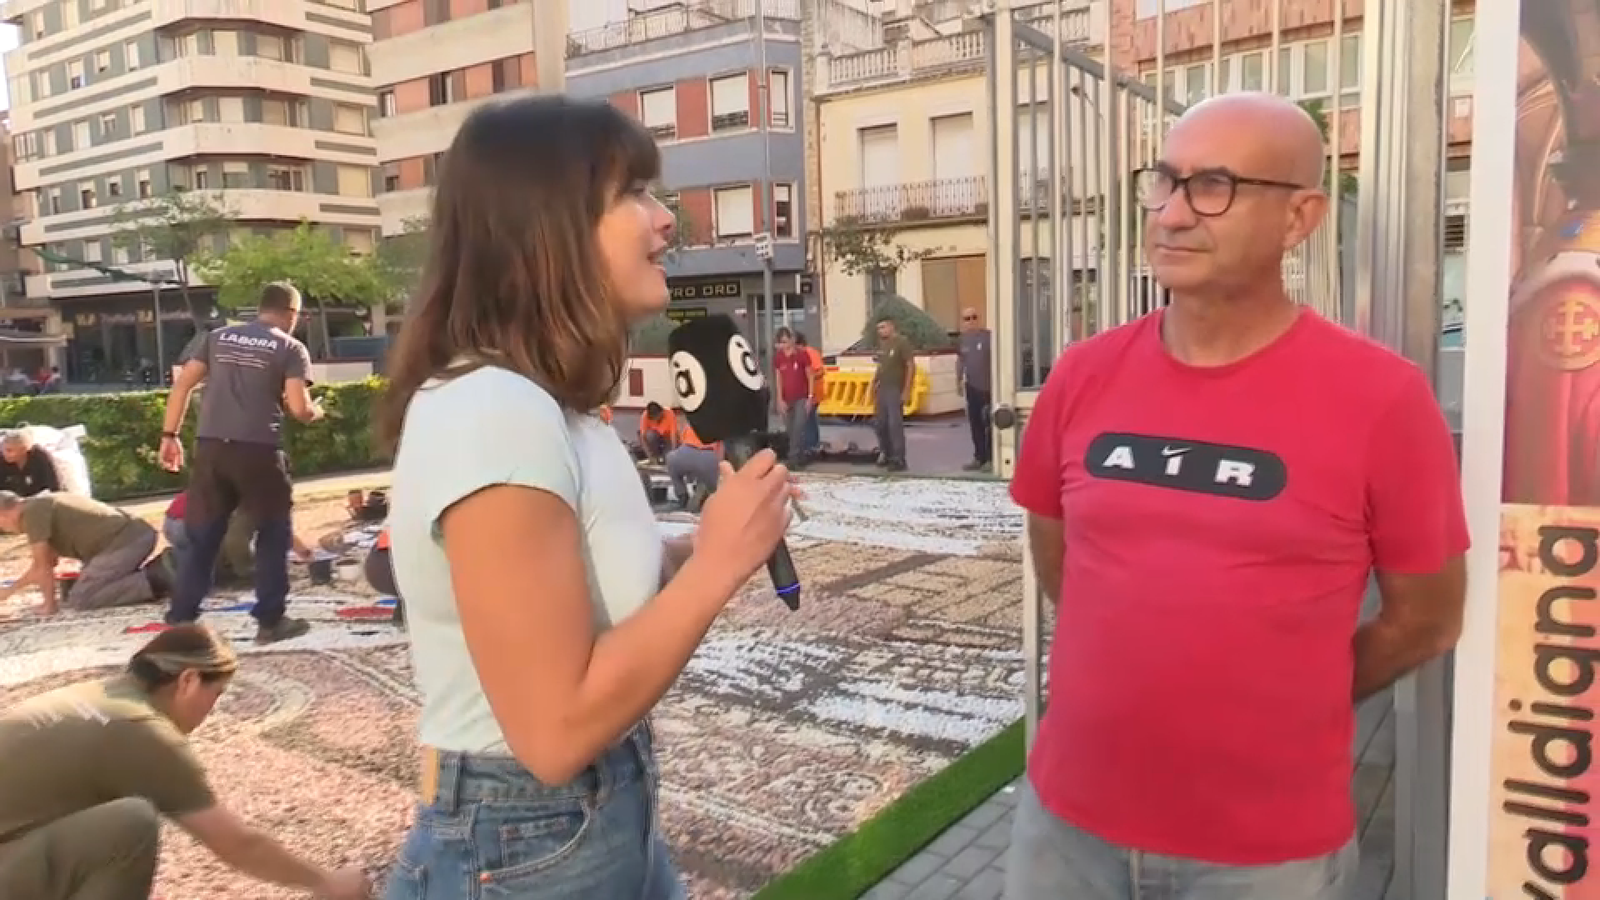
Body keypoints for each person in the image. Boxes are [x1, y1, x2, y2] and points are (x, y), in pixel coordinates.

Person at [1002, 93, 1468, 900]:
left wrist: (1295, 694)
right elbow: (1058, 553)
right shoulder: (1082, 376)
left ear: (1299, 218)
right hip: (1066, 830)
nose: (1173, 213)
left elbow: (1426, 619)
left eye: (1213, 186)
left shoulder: (1383, 400)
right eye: (1165, 181)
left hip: (1264, 857)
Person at [375, 94, 793, 900]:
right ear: (547, 230)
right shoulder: (493, 410)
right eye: (632, 193)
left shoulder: (554, 408)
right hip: (525, 839)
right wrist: (717, 565)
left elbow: (585, 594)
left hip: (595, 815)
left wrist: (700, 544)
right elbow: (554, 732)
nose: (665, 220)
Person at [0, 624, 371, 900]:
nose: (213, 709)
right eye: (217, 694)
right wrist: (328, 883)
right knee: (130, 824)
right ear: (189, 681)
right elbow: (237, 844)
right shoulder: (142, 729)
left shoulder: (94, 694)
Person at [158, 281, 322, 644]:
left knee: (203, 537)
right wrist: (316, 412)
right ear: (292, 314)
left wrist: (169, 435)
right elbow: (299, 408)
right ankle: (270, 621)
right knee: (273, 532)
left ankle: (181, 617)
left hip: (211, 448)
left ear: (260, 307)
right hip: (259, 451)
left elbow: (182, 385)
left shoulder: (217, 338)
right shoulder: (290, 347)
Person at [0, 491, 171, 614]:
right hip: (130, 537)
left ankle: (163, 574)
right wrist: (9, 591)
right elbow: (46, 564)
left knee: (83, 598)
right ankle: (160, 570)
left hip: (126, 541)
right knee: (83, 590)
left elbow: (42, 567)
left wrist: (49, 605)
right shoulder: (39, 505)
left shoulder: (33, 513)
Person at [162, 491, 313, 589]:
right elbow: (235, 540)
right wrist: (249, 572)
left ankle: (182, 565)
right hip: (185, 523)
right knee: (233, 538)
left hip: (175, 522)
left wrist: (304, 551)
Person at [866, 315, 914, 472]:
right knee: (880, 423)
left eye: (883, 327)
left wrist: (906, 390)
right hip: (882, 388)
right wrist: (874, 383)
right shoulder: (882, 344)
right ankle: (886, 452)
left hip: (895, 388)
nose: (880, 331)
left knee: (895, 424)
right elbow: (881, 366)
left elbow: (910, 365)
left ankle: (899, 458)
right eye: (878, 328)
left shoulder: (901, 342)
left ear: (892, 326)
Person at [956, 307, 993, 471]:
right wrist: (958, 380)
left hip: (988, 388)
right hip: (972, 387)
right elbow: (960, 360)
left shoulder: (988, 337)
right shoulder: (962, 340)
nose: (971, 321)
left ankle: (991, 458)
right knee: (975, 423)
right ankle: (979, 457)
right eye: (967, 318)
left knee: (988, 423)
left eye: (974, 317)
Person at [772, 327, 814, 467]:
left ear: (792, 340)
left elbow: (810, 375)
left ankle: (793, 458)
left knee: (798, 428)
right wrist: (779, 399)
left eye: (786, 341)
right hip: (786, 399)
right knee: (790, 430)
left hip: (801, 398)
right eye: (781, 342)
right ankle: (800, 457)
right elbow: (778, 379)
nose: (784, 345)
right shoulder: (779, 357)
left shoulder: (802, 355)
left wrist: (810, 397)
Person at [666, 416, 722, 511]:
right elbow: (720, 450)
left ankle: (682, 495)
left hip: (684, 453)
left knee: (671, 460)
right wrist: (718, 466)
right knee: (714, 489)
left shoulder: (690, 425)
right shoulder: (717, 427)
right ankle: (714, 502)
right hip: (706, 455)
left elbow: (682, 442)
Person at [0, 430, 61, 497]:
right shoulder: (2, 459)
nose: (4, 453)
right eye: (2, 449)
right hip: (11, 500)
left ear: (23, 449)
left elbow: (56, 487)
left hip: (39, 498)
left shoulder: (40, 457)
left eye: (9, 450)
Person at [795, 332, 824, 456]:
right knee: (808, 419)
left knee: (809, 419)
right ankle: (810, 445)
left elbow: (820, 371)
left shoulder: (811, 353)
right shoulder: (798, 355)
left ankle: (812, 445)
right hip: (805, 393)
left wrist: (808, 377)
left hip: (814, 393)